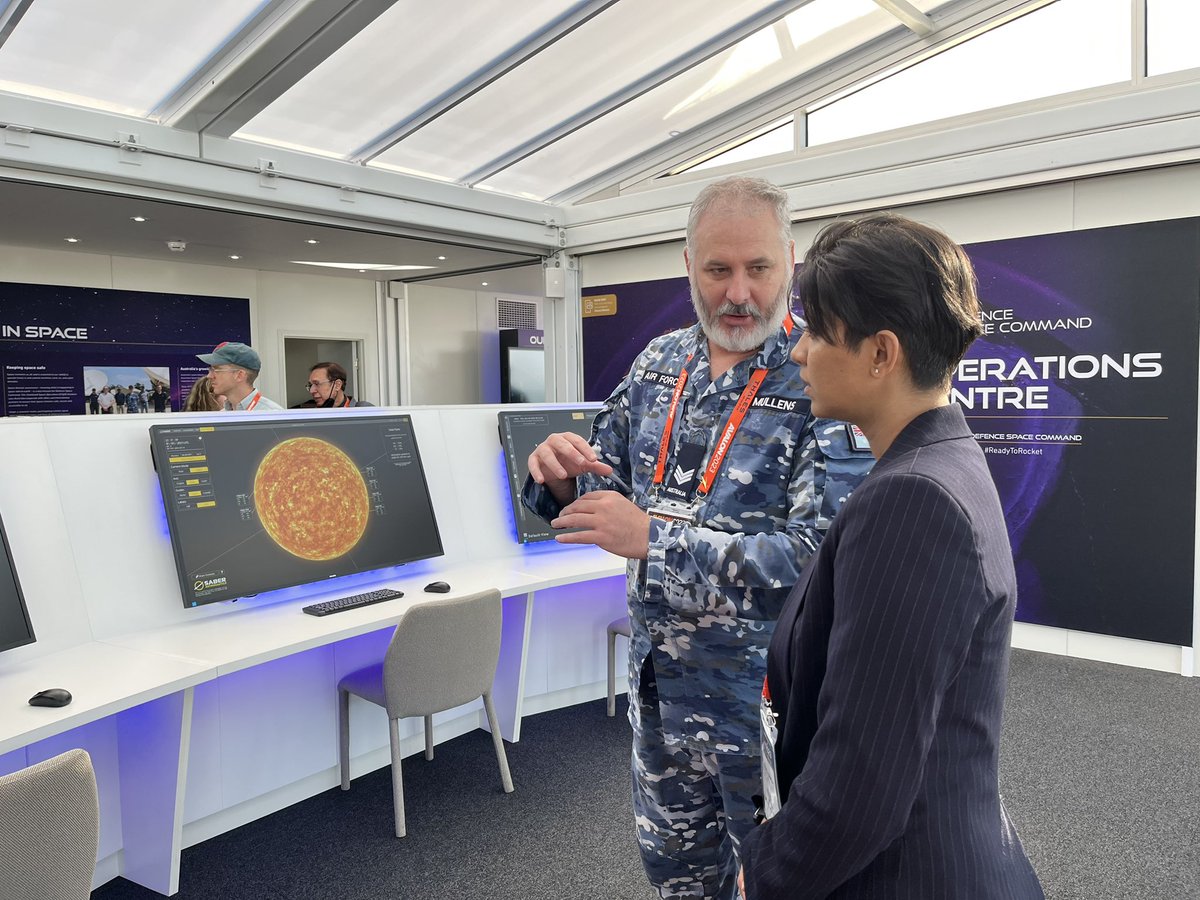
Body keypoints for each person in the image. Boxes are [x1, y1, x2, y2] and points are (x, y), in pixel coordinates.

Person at [523, 176, 872, 900]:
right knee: (675, 877)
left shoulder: (822, 378)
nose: (738, 292)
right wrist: (559, 482)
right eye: (718, 270)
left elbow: (822, 557)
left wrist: (657, 538)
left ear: (790, 261)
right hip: (658, 696)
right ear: (688, 264)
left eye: (758, 269)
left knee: (777, 882)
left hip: (764, 708)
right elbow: (602, 492)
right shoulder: (656, 365)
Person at [737, 214, 1044, 899]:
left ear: (881, 353)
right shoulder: (941, 460)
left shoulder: (911, 499)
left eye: (817, 331)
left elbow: (860, 787)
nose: (798, 352)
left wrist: (755, 876)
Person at [196, 342, 282, 412]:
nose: (209, 376)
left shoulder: (272, 416)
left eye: (216, 370)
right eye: (210, 370)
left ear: (239, 375)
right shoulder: (222, 415)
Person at [305, 361, 373, 408]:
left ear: (337, 385)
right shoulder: (310, 414)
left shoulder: (363, 410)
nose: (312, 391)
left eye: (317, 384)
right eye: (311, 385)